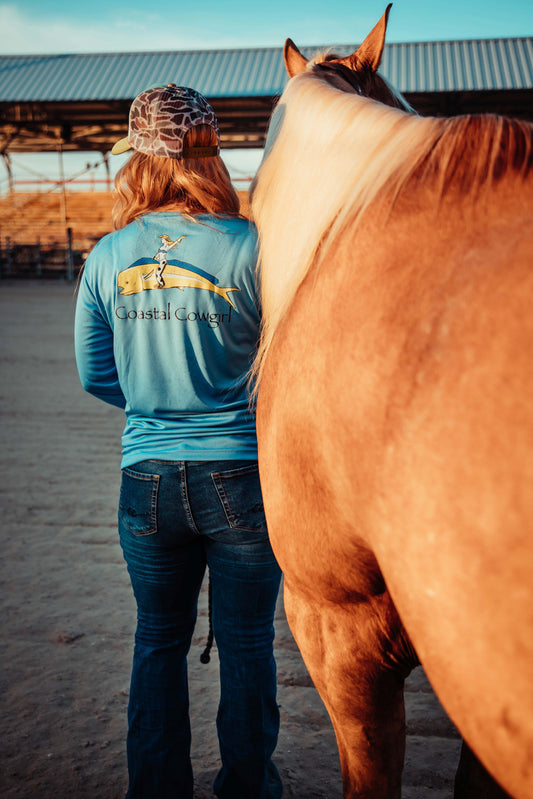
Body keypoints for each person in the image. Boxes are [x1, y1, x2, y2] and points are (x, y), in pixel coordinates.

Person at [74, 84, 282, 799]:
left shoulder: (106, 256)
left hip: (148, 476)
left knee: (156, 638)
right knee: (249, 641)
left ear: (136, 157)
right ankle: (247, 788)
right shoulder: (254, 247)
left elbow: (94, 372)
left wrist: (157, 406)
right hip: (242, 474)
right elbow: (286, 365)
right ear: (212, 153)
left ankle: (156, 788)